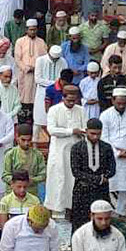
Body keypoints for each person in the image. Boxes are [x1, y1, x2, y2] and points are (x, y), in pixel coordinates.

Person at [69, 118, 117, 234]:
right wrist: (97, 179)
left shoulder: (106, 147)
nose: (95, 137)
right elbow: (76, 171)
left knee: (102, 220)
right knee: (80, 222)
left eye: (98, 134)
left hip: (101, 191)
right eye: (92, 134)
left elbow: (112, 169)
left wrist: (104, 177)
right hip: (82, 190)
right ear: (86, 131)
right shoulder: (77, 148)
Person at [44, 85, 86, 217]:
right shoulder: (54, 110)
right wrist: (71, 131)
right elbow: (51, 130)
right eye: (69, 101)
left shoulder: (81, 110)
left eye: (74, 101)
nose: (72, 103)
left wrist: (81, 132)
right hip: (59, 151)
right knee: (58, 178)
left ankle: (71, 207)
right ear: (63, 98)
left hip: (75, 151)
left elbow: (85, 127)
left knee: (73, 179)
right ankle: (56, 209)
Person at [100, 88, 126, 216]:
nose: (122, 106)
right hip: (111, 154)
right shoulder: (105, 115)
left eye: (124, 103)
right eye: (119, 103)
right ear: (112, 100)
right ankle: (110, 210)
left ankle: (121, 211)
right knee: (111, 183)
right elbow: (104, 136)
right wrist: (116, 152)